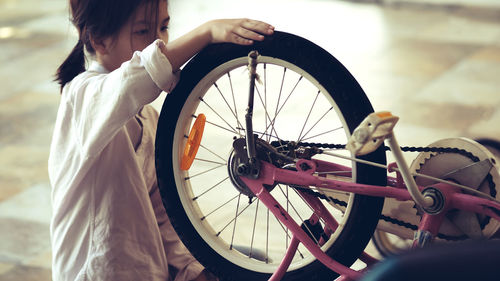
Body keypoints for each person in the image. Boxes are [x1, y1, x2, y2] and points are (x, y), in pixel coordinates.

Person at [48, 0, 274, 280]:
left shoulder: (149, 118)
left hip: (149, 270)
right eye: (143, 31)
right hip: (97, 273)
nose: (159, 41)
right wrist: (206, 33)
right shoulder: (81, 97)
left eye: (164, 27)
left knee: (255, 264)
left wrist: (192, 272)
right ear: (99, 40)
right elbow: (136, 78)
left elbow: (164, 216)